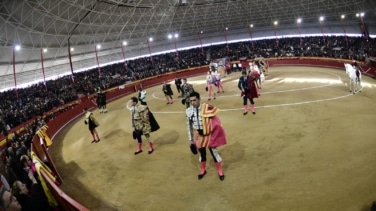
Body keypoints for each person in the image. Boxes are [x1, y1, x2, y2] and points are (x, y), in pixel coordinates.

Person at [186, 91, 227, 181]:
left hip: (209, 135)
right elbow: (189, 126)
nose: (193, 103)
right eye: (191, 101)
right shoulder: (189, 111)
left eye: (194, 100)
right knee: (202, 154)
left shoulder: (207, 108)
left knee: (214, 153)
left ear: (199, 99)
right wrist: (191, 140)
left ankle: (220, 171)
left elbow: (216, 122)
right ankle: (203, 170)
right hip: (198, 136)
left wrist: (216, 133)